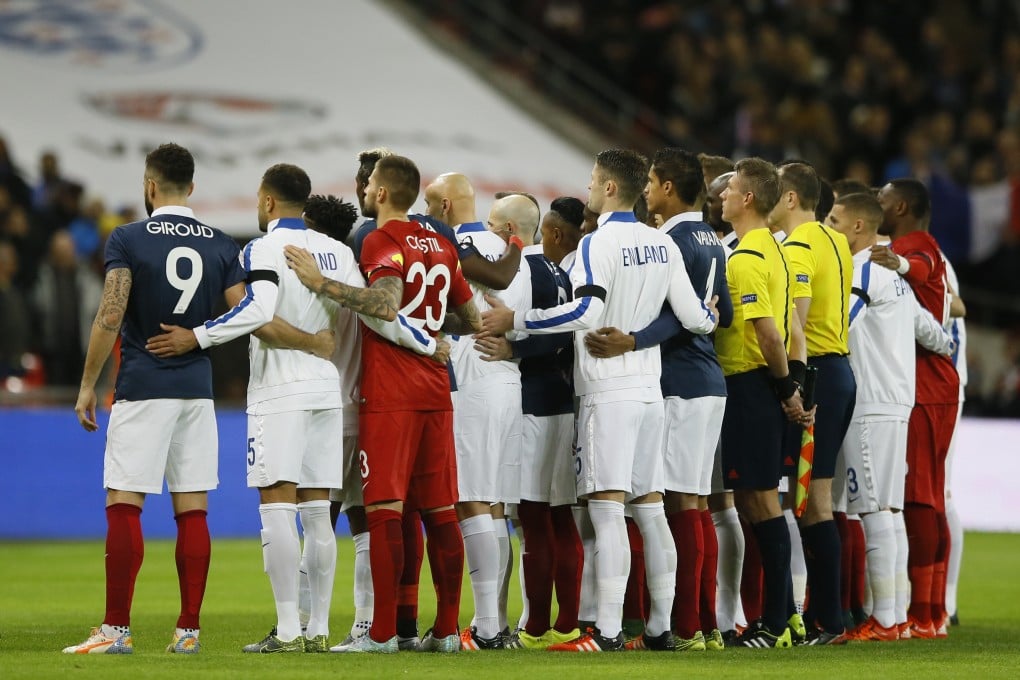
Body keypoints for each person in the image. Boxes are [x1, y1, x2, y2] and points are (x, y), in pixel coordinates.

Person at [481, 148, 719, 652]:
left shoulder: (597, 243)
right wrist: (705, 316)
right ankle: (660, 629)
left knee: (608, 510)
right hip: (651, 393)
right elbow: (697, 318)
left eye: (592, 180)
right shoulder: (662, 244)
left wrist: (517, 323)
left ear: (610, 188)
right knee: (650, 508)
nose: (588, 188)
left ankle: (606, 632)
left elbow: (586, 312)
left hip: (607, 393)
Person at [145, 163, 367, 654]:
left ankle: (288, 629)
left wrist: (197, 336)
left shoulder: (263, 248)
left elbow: (259, 310)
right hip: (326, 390)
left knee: (278, 507)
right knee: (316, 511)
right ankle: (319, 629)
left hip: (280, 390)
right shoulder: (336, 251)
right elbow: (360, 307)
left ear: (267, 202)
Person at [286, 154, 480, 654]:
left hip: (391, 392)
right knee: (440, 511)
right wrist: (434, 336)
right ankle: (446, 632)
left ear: (383, 193)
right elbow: (472, 317)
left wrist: (321, 283)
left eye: (371, 182)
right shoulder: (440, 241)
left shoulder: (380, 238)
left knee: (385, 511)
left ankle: (382, 634)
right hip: (437, 389)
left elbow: (385, 303)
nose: (366, 188)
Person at [64, 143, 249, 655]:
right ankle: (187, 632)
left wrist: (87, 384)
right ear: (191, 187)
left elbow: (110, 312)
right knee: (193, 508)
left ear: (149, 186)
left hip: (143, 385)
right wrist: (201, 335)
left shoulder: (127, 237)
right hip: (196, 390)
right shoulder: (221, 242)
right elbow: (244, 314)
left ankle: (116, 630)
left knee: (125, 500)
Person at [583, 148, 733, 652]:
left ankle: (667, 627)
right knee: (678, 504)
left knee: (665, 506)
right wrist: (708, 320)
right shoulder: (712, 240)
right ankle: (688, 624)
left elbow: (668, 317)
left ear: (669, 185)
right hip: (691, 383)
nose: (647, 189)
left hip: (668, 381)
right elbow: (710, 314)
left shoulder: (666, 238)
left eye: (652, 181)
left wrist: (631, 339)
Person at [825, 191, 952, 642]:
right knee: (890, 511)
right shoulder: (895, 277)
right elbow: (936, 335)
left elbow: (845, 323)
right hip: (899, 403)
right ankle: (893, 617)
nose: (830, 226)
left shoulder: (863, 270)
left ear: (860, 227)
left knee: (874, 511)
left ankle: (885, 619)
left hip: (870, 404)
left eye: (836, 221)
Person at [423, 175, 530, 650]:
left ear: (445, 206)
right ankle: (496, 623)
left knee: (471, 499)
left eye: (428, 206)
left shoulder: (453, 243)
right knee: (495, 506)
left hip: (473, 373)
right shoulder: (516, 251)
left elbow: (452, 310)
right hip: (509, 378)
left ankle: (487, 626)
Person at [475, 196, 586, 650]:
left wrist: (515, 351)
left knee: (535, 520)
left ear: (508, 230)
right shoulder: (558, 271)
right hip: (561, 400)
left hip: (533, 403)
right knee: (560, 518)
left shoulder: (526, 269)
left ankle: (537, 627)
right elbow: (566, 333)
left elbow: (553, 336)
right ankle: (568, 623)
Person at [714, 157, 811, 649]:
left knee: (760, 501)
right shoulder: (775, 252)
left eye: (729, 190)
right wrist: (793, 384)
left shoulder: (748, 259)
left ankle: (775, 622)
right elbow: (794, 326)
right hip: (763, 385)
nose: (723, 196)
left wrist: (783, 388)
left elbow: (771, 335)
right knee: (760, 502)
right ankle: (783, 617)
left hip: (751, 385)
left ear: (747, 198)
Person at [869, 178, 960, 639]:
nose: (877, 203)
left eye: (882, 199)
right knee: (932, 498)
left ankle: (923, 614)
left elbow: (919, 269)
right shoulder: (928, 244)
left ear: (899, 206)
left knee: (920, 499)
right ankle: (935, 612)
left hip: (924, 383)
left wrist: (898, 261)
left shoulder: (915, 247)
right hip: (936, 383)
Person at [770, 161, 856, 644]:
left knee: (812, 501)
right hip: (839, 370)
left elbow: (795, 320)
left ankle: (828, 618)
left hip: (816, 375)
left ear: (790, 198)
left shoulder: (799, 245)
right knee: (814, 498)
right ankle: (828, 614)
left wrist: (792, 384)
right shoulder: (835, 240)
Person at [31, 230, 103, 386]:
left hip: (82, 344)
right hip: (53, 348)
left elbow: (98, 305)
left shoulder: (86, 275)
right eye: (59, 251)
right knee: (54, 391)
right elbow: (37, 307)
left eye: (66, 250)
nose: (63, 254)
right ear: (53, 252)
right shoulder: (44, 275)